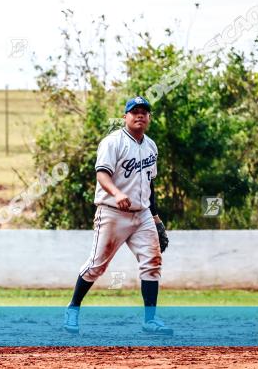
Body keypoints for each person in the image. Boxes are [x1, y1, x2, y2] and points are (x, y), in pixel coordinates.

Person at [63, 96, 173, 336]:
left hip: (142, 214)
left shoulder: (151, 146)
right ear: (126, 117)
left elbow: (150, 185)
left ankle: (150, 320)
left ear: (149, 118)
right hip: (113, 212)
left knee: (152, 264)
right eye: (135, 112)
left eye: (144, 112)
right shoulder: (112, 142)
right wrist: (117, 193)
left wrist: (156, 219)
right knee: (96, 266)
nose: (140, 115)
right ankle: (73, 308)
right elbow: (102, 174)